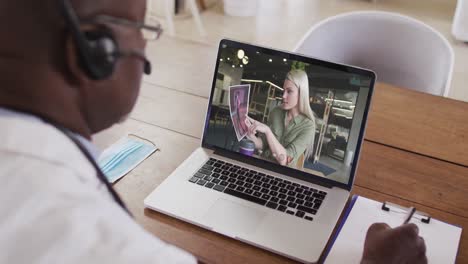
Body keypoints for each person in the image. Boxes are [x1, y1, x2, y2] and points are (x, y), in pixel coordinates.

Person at [0, 0, 427, 263]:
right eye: (143, 29)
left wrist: (264, 136)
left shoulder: (307, 126)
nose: (146, 47)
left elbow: (285, 160)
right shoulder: (102, 246)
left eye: (289, 89)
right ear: (96, 53)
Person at [246, 70, 316, 167]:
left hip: (283, 174)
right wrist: (248, 133)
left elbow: (285, 160)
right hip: (262, 165)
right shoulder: (276, 112)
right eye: (284, 91)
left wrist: (267, 131)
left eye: (289, 91)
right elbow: (262, 144)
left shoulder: (308, 126)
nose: (283, 96)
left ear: (301, 93)